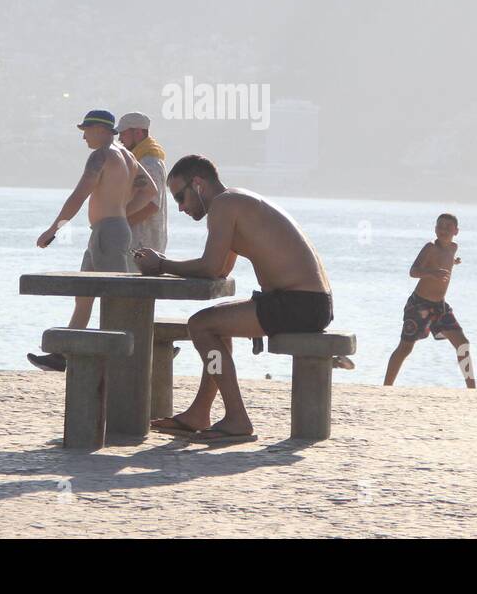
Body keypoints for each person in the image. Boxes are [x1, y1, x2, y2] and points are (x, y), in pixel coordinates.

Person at [135, 154, 332, 444]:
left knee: (201, 326)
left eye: (180, 197)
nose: (179, 207)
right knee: (214, 323)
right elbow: (222, 268)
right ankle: (199, 413)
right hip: (307, 302)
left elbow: (211, 268)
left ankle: (237, 419)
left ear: (198, 184)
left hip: (299, 304)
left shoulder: (224, 205)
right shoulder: (234, 202)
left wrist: (161, 265)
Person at [27, 110, 158, 372]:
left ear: (99, 129)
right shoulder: (128, 155)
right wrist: (122, 214)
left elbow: (78, 196)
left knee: (114, 298)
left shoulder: (100, 156)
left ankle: (121, 360)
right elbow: (150, 191)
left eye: (85, 130)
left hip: (107, 233)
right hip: (107, 231)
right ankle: (64, 354)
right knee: (84, 294)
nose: (84, 136)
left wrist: (54, 229)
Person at [383, 213, 474, 388]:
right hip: (419, 305)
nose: (443, 230)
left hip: (440, 306)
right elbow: (413, 271)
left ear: (456, 231)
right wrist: (432, 273)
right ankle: (386, 387)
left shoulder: (453, 248)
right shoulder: (430, 248)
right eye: (440, 226)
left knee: (462, 344)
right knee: (405, 348)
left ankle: (472, 389)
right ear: (435, 229)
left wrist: (452, 262)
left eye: (448, 227)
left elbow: (444, 260)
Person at [117, 112, 167, 257]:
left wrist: (119, 227)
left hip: (143, 246)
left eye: (123, 133)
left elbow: (151, 206)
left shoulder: (149, 163)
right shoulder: (142, 159)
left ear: (138, 132)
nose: (120, 138)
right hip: (139, 245)